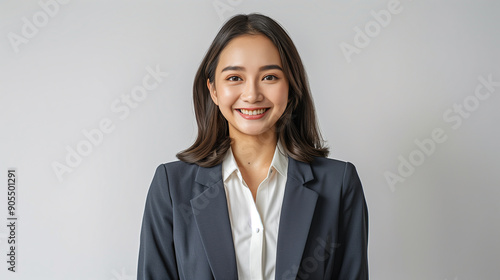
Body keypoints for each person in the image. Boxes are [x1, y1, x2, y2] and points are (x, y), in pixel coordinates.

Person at [137, 13, 368, 280]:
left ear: (291, 87)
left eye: (269, 77)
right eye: (234, 78)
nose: (252, 95)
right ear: (213, 90)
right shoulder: (171, 187)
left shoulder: (338, 184)